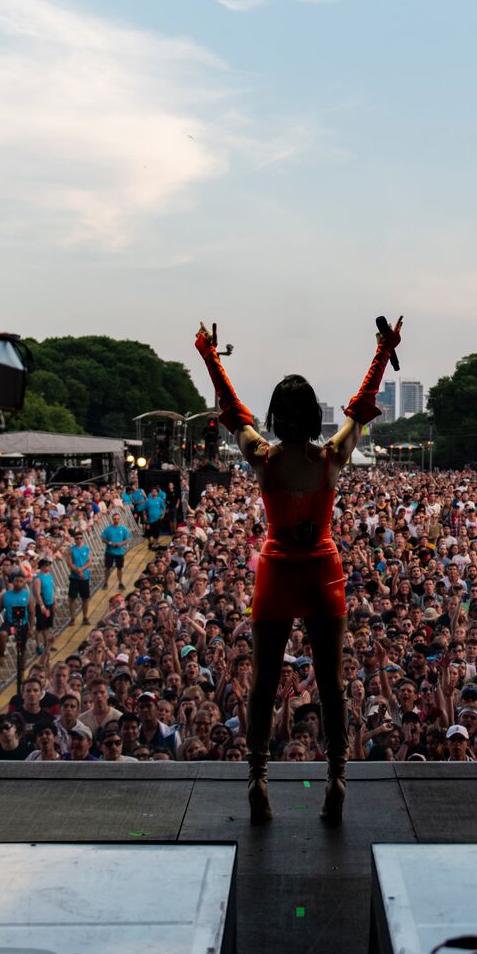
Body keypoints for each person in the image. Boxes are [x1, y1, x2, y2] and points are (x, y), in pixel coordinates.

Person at [194, 315, 402, 824]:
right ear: (312, 415)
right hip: (323, 571)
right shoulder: (332, 457)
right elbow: (362, 404)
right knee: (331, 682)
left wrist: (211, 357)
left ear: (276, 416)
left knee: (263, 682)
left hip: (277, 569)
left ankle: (258, 777)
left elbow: (231, 410)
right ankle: (336, 777)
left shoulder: (261, 459)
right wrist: (383, 349)